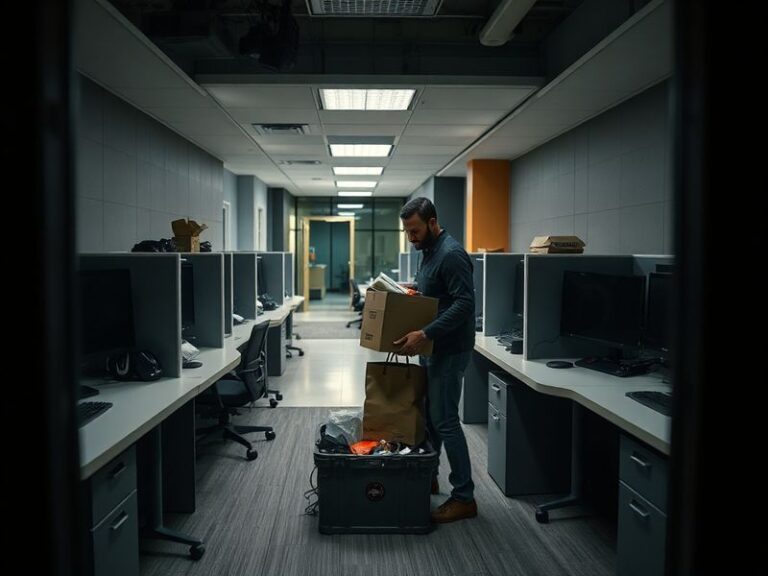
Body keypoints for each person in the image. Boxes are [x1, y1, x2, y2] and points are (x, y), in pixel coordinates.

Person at [393, 197, 477, 523]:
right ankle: (430, 474)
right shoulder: (429, 252)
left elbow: (464, 303)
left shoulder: (451, 253)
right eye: (407, 233)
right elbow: (438, 292)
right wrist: (411, 290)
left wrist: (425, 333)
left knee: (446, 421)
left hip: (449, 349)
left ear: (432, 223)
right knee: (431, 417)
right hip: (432, 348)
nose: (411, 238)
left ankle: (464, 497)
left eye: (414, 231)